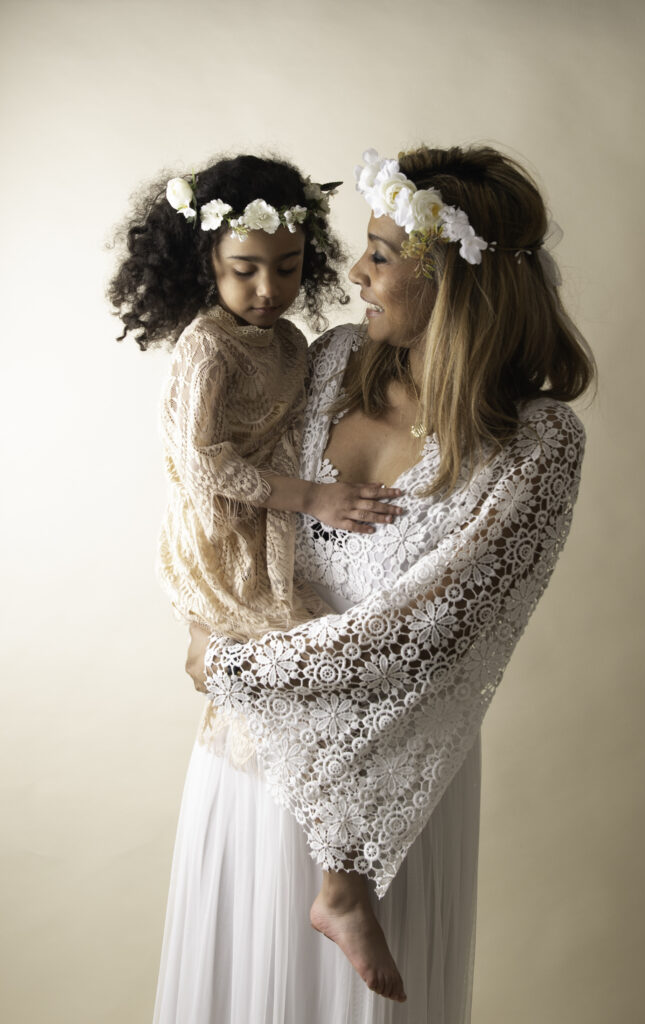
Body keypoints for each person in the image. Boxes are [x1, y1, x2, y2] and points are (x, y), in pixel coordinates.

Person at [159, 144, 595, 1024]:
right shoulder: (329, 361)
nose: (353, 272)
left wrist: (229, 664)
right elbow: (225, 503)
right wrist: (204, 611)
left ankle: (345, 896)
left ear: (457, 281)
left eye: (383, 255)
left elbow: (427, 636)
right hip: (246, 769)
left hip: (385, 800)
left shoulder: (535, 449)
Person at [108, 153, 406, 996]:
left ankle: (329, 885)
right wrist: (313, 495)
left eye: (286, 268)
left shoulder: (290, 341)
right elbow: (201, 470)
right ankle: (334, 891)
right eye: (244, 270)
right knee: (312, 674)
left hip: (273, 532)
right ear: (204, 261)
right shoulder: (207, 349)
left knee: (334, 672)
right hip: (226, 540)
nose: (267, 289)